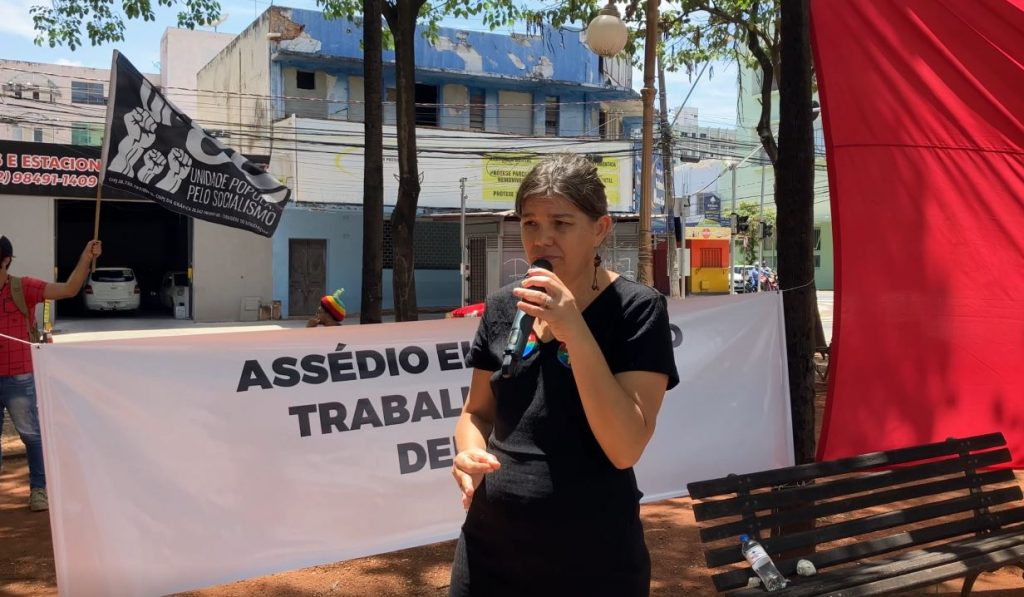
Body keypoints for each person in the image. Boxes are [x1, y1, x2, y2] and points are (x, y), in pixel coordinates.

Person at [448, 154, 679, 596]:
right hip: (489, 552)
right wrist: (470, 454)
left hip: (592, 561)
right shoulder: (503, 306)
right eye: (530, 223)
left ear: (600, 228)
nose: (542, 239)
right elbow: (476, 413)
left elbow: (625, 446)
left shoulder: (637, 309)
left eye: (561, 223)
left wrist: (574, 328)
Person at [0, 235, 102, 511]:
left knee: (31, 434)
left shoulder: (23, 287)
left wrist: (85, 258)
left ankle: (39, 489)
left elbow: (69, 289)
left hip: (19, 377)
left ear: (6, 261)